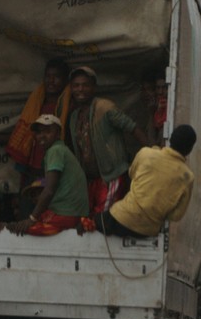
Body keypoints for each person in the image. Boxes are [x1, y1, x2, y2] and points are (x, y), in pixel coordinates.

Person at [65, 66, 151, 215]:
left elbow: (132, 128)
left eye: (85, 85)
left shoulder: (105, 107)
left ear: (93, 87)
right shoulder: (74, 116)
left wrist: (154, 155)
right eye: (76, 85)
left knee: (103, 219)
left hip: (112, 175)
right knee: (89, 219)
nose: (80, 89)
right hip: (91, 180)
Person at [90, 124, 196, 238]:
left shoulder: (146, 154)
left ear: (171, 139)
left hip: (122, 218)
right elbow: (176, 216)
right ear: (189, 150)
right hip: (147, 231)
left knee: (93, 221)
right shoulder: (187, 177)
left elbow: (131, 174)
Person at [6, 114, 90, 237]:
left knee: (19, 229)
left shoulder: (55, 151)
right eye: (39, 132)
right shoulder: (60, 150)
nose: (42, 136)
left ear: (58, 133)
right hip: (72, 213)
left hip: (66, 214)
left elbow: (49, 190)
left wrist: (32, 218)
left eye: (47, 131)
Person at [2, 59, 73, 190]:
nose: (51, 81)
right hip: (32, 167)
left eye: (56, 77)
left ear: (65, 80)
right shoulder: (36, 102)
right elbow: (28, 133)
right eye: (48, 76)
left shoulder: (69, 107)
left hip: (55, 166)